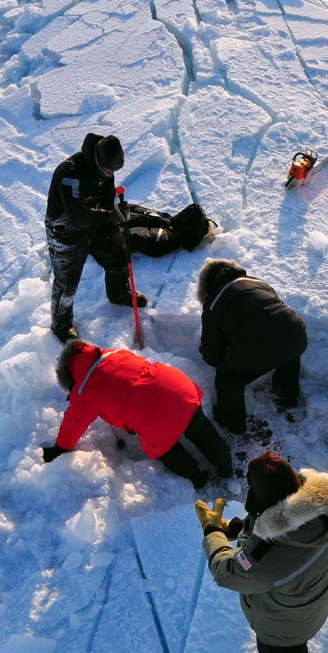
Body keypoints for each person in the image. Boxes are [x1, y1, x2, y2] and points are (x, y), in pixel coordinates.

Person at [195, 451, 328, 653]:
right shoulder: (322, 505)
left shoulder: (267, 557)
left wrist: (212, 531)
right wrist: (243, 531)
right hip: (309, 604)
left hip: (283, 628)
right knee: (293, 651)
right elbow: (281, 529)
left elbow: (228, 573)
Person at [41, 340, 232, 488]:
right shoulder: (114, 353)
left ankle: (196, 477)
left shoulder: (83, 391)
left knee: (168, 451)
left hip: (154, 418)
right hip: (180, 389)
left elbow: (73, 423)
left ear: (68, 379)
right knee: (201, 431)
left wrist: (60, 447)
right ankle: (225, 464)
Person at [45, 132, 147, 343]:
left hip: (95, 222)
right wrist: (110, 216)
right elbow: (75, 212)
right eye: (108, 170)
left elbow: (108, 200)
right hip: (64, 229)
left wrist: (113, 230)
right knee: (66, 281)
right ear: (97, 160)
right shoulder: (70, 173)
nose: (111, 174)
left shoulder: (106, 169)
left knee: (117, 253)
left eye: (115, 170)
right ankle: (61, 325)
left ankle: (118, 293)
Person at [197, 259, 308, 434]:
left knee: (227, 377)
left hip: (257, 349)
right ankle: (288, 394)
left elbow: (212, 355)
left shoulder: (213, 303)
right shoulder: (257, 282)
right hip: (296, 333)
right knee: (287, 349)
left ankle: (233, 422)